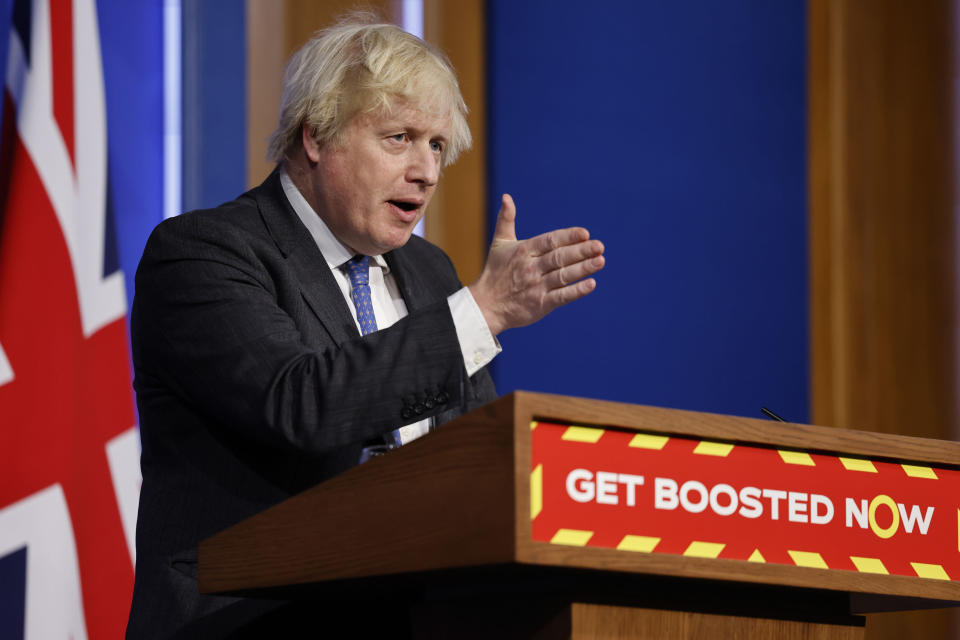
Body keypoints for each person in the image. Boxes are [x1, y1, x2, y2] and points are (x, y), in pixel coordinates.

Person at [125, 13, 604, 638]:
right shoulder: (203, 252)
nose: (428, 172)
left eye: (437, 145)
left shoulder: (431, 272)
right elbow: (298, 403)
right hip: (249, 618)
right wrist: (484, 311)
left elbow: (472, 459)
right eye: (399, 137)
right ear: (316, 137)